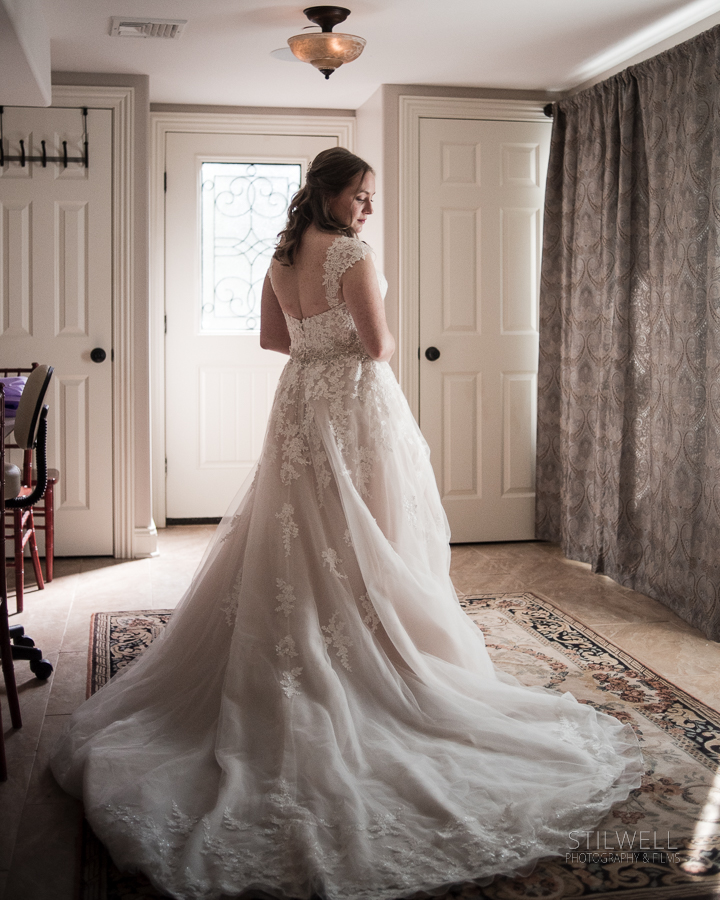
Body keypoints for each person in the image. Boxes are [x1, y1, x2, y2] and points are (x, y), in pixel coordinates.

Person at [51, 148, 643, 900]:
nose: (369, 208)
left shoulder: (282, 254)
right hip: (356, 406)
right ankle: (374, 652)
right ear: (330, 193)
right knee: (367, 530)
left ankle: (316, 636)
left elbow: (274, 340)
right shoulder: (351, 253)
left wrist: (314, 340)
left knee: (297, 528)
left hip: (301, 399)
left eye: (371, 198)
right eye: (362, 195)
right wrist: (372, 331)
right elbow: (377, 345)